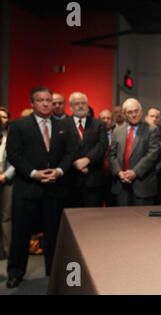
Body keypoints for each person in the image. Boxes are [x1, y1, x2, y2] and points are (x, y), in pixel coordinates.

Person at [6, 86, 75, 288]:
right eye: (40, 100)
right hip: (27, 188)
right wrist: (34, 173)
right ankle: (15, 273)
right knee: (20, 233)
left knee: (53, 234)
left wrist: (59, 171)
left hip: (54, 188)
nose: (45, 104)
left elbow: (70, 153)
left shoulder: (63, 125)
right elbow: (14, 154)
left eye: (48, 100)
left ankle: (53, 273)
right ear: (32, 103)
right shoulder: (19, 125)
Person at [109, 98, 161, 206]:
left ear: (141, 112)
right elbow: (112, 154)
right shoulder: (117, 131)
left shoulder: (152, 130)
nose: (134, 115)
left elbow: (152, 154)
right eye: (130, 112)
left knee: (142, 221)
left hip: (143, 185)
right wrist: (119, 172)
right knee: (122, 220)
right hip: (121, 185)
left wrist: (135, 172)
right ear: (124, 114)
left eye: (136, 111)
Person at [62, 92, 108, 208]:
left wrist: (87, 160)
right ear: (71, 107)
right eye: (77, 104)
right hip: (70, 180)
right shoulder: (62, 124)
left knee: (93, 219)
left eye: (83, 103)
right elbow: (61, 148)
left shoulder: (99, 124)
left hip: (93, 179)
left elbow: (102, 145)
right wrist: (75, 163)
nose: (81, 106)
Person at [145, 107, 161, 205]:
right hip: (141, 177)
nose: (154, 119)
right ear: (146, 117)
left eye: (157, 117)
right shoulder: (139, 136)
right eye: (152, 116)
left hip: (159, 177)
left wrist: (154, 169)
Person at [0, 107, 14, 259]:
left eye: (4, 116)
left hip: (7, 179)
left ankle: (8, 251)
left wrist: (6, 175)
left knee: (6, 217)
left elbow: (17, 157)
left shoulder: (12, 135)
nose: (1, 119)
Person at [99, 109, 115, 206]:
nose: (105, 120)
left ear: (112, 121)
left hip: (113, 176)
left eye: (108, 118)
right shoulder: (93, 134)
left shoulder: (117, 133)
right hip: (98, 175)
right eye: (103, 118)